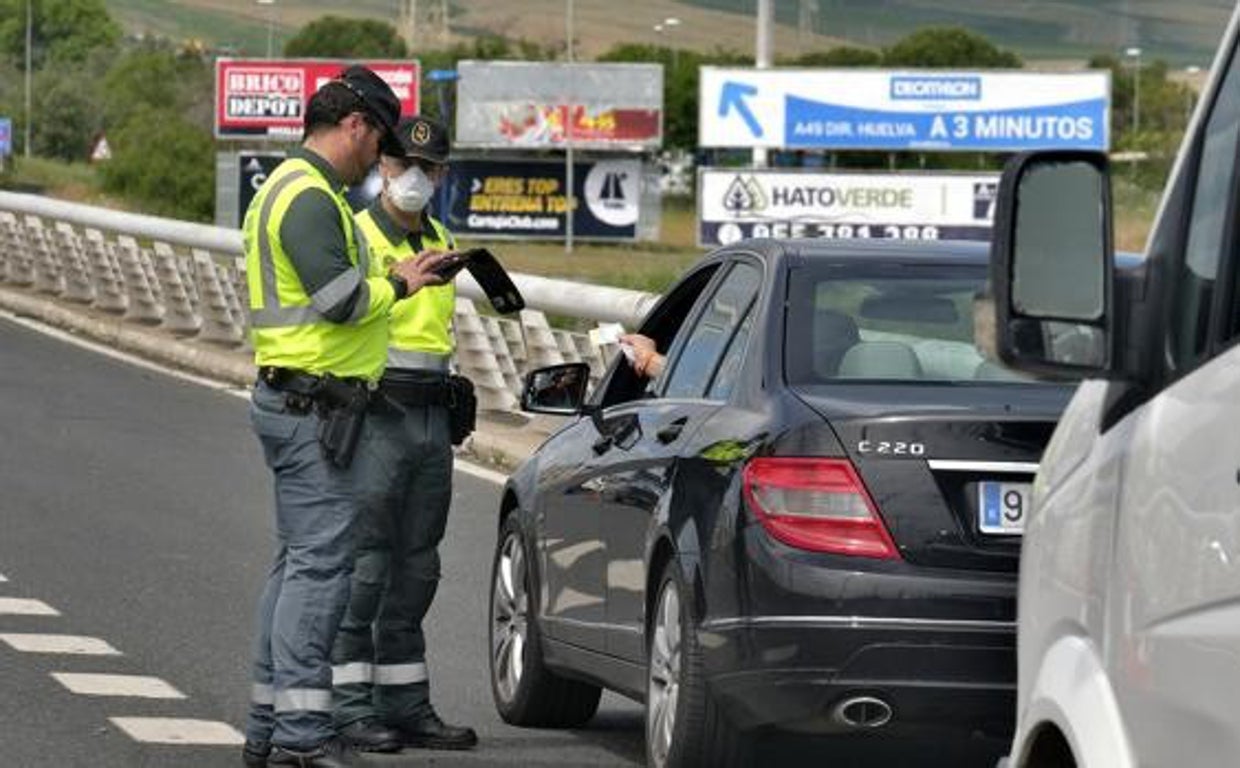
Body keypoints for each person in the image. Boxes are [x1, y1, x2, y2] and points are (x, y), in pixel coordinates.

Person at [241, 67, 449, 768]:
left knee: (296, 567)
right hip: (313, 408)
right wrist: (398, 283)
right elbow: (341, 302)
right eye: (379, 142)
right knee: (320, 573)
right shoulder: (308, 196)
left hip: (303, 401)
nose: (378, 158)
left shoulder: (293, 188)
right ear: (355, 125)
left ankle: (270, 728)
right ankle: (302, 735)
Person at [329, 115, 479, 753]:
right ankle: (349, 708)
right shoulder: (357, 233)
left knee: (418, 567)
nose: (414, 176)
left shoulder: (444, 239)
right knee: (366, 565)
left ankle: (407, 704)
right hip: (376, 413)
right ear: (383, 165)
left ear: (442, 174)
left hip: (430, 421)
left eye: (428, 167)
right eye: (401, 163)